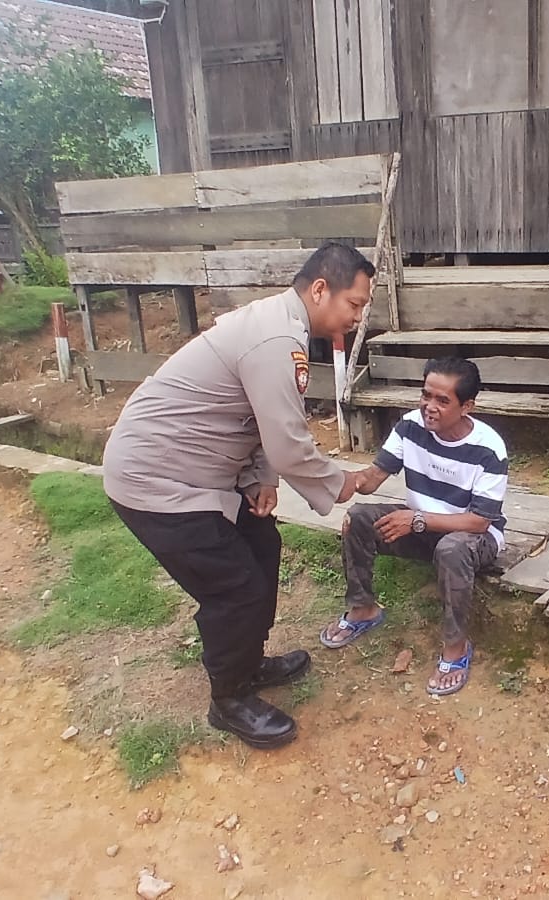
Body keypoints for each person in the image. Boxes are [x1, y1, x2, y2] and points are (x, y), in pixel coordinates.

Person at [103, 243, 373, 750]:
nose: (357, 317)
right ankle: (228, 700)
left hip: (198, 473)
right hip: (156, 481)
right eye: (354, 305)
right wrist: (341, 482)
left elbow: (253, 420)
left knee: (261, 547)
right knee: (235, 586)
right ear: (320, 290)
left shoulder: (279, 326)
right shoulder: (276, 338)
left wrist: (258, 478)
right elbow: (290, 443)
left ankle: (248, 663)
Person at [319, 357, 508, 696]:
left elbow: (480, 521)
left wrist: (418, 520)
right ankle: (363, 608)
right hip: (420, 528)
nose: (429, 407)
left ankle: (456, 648)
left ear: (467, 406)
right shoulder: (409, 426)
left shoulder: (488, 448)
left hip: (473, 537)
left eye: (442, 401)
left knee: (451, 548)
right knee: (359, 517)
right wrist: (343, 481)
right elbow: (373, 478)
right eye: (425, 396)